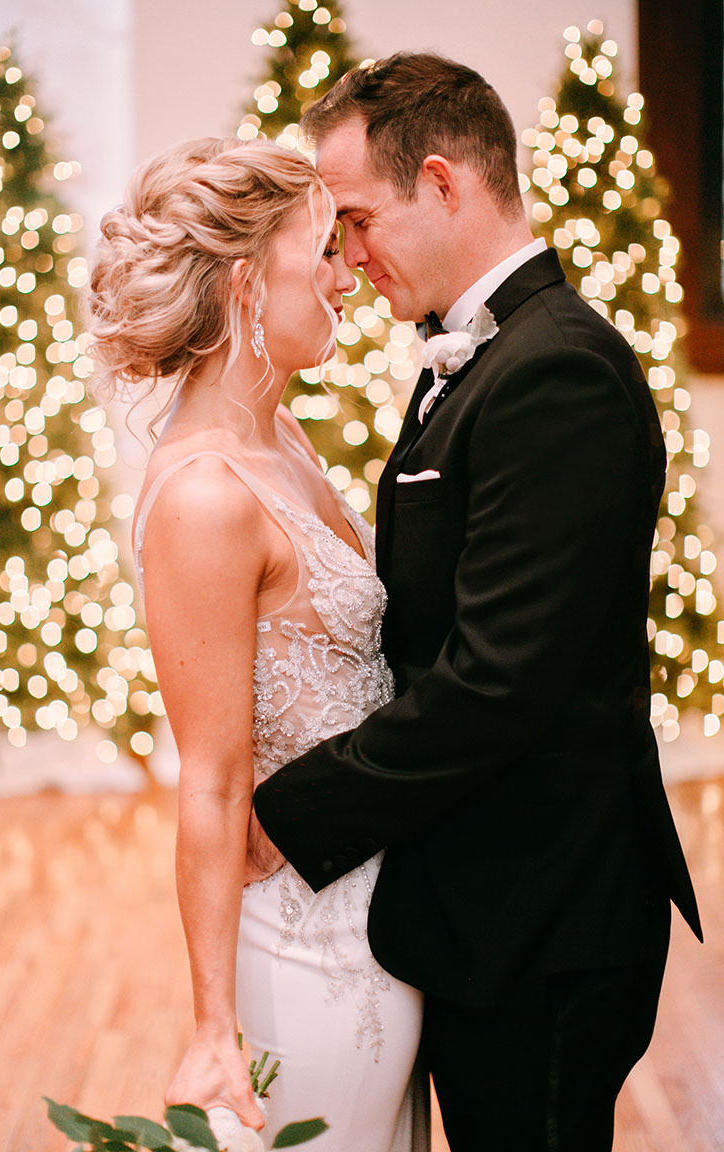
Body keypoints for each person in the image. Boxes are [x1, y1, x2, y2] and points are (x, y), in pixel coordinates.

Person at [250, 53, 703, 1152]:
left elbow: (501, 676)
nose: (349, 259)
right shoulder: (475, 355)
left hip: (545, 916)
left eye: (358, 219)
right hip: (483, 899)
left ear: (444, 183)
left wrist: (285, 812)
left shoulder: (559, 371)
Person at [88, 137, 427, 1151]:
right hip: (307, 951)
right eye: (321, 252)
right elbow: (211, 783)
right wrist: (209, 1024)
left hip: (384, 915)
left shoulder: (278, 440)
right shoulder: (203, 496)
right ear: (244, 284)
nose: (346, 277)